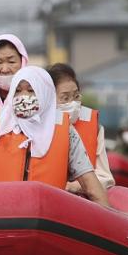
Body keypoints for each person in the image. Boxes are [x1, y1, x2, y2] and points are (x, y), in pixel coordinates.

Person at [0, 66, 111, 208]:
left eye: (31, 90)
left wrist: (110, 220)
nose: (23, 96)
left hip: (49, 219)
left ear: (45, 93)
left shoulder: (67, 133)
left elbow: (90, 185)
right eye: (18, 91)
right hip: (0, 215)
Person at [45, 63, 115, 193]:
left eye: (76, 96)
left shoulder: (96, 128)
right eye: (65, 98)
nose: (72, 103)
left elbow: (105, 177)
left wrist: (77, 186)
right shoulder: (36, 128)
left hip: (84, 199)